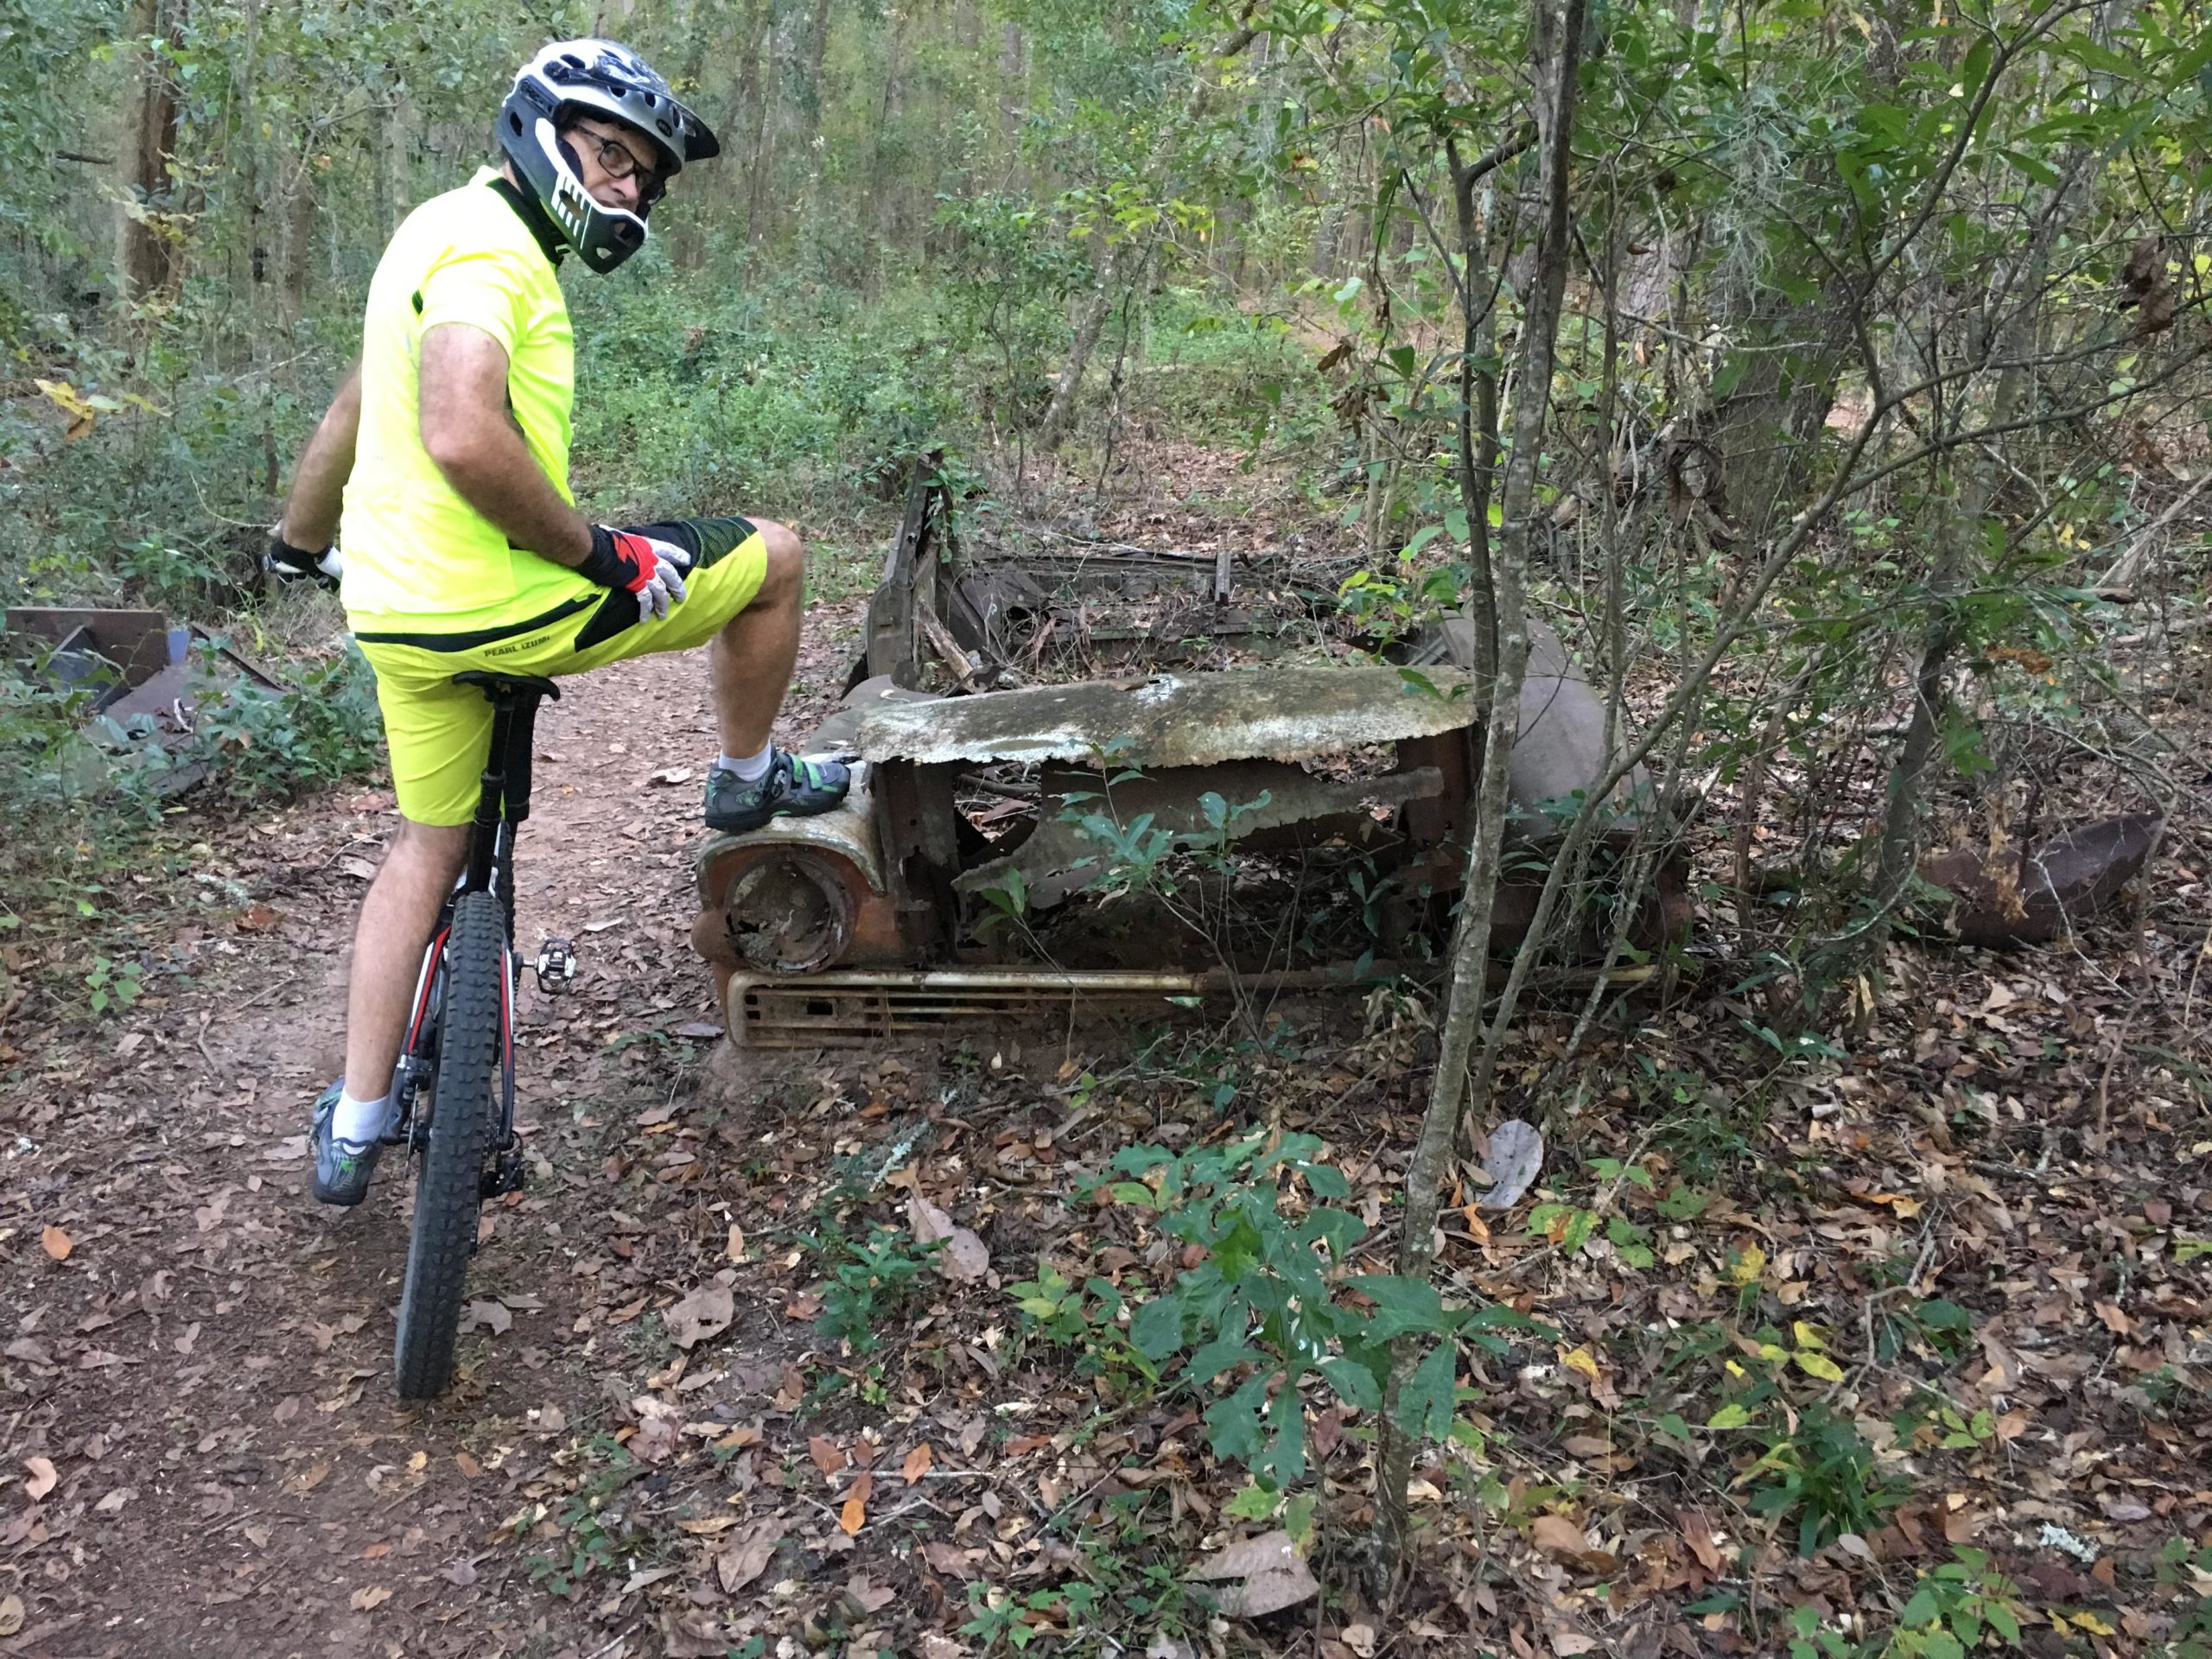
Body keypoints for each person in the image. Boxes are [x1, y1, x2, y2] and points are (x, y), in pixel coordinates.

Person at [266, 39, 849, 1208]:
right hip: (511, 605)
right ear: (543, 131)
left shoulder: (431, 231)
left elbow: (353, 402)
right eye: (610, 155)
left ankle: (356, 1121)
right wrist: (604, 555)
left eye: (642, 173)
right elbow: (462, 433)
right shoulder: (495, 254)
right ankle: (745, 776)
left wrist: (297, 539)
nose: (627, 187)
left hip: (398, 619)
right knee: (777, 556)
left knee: (422, 850)